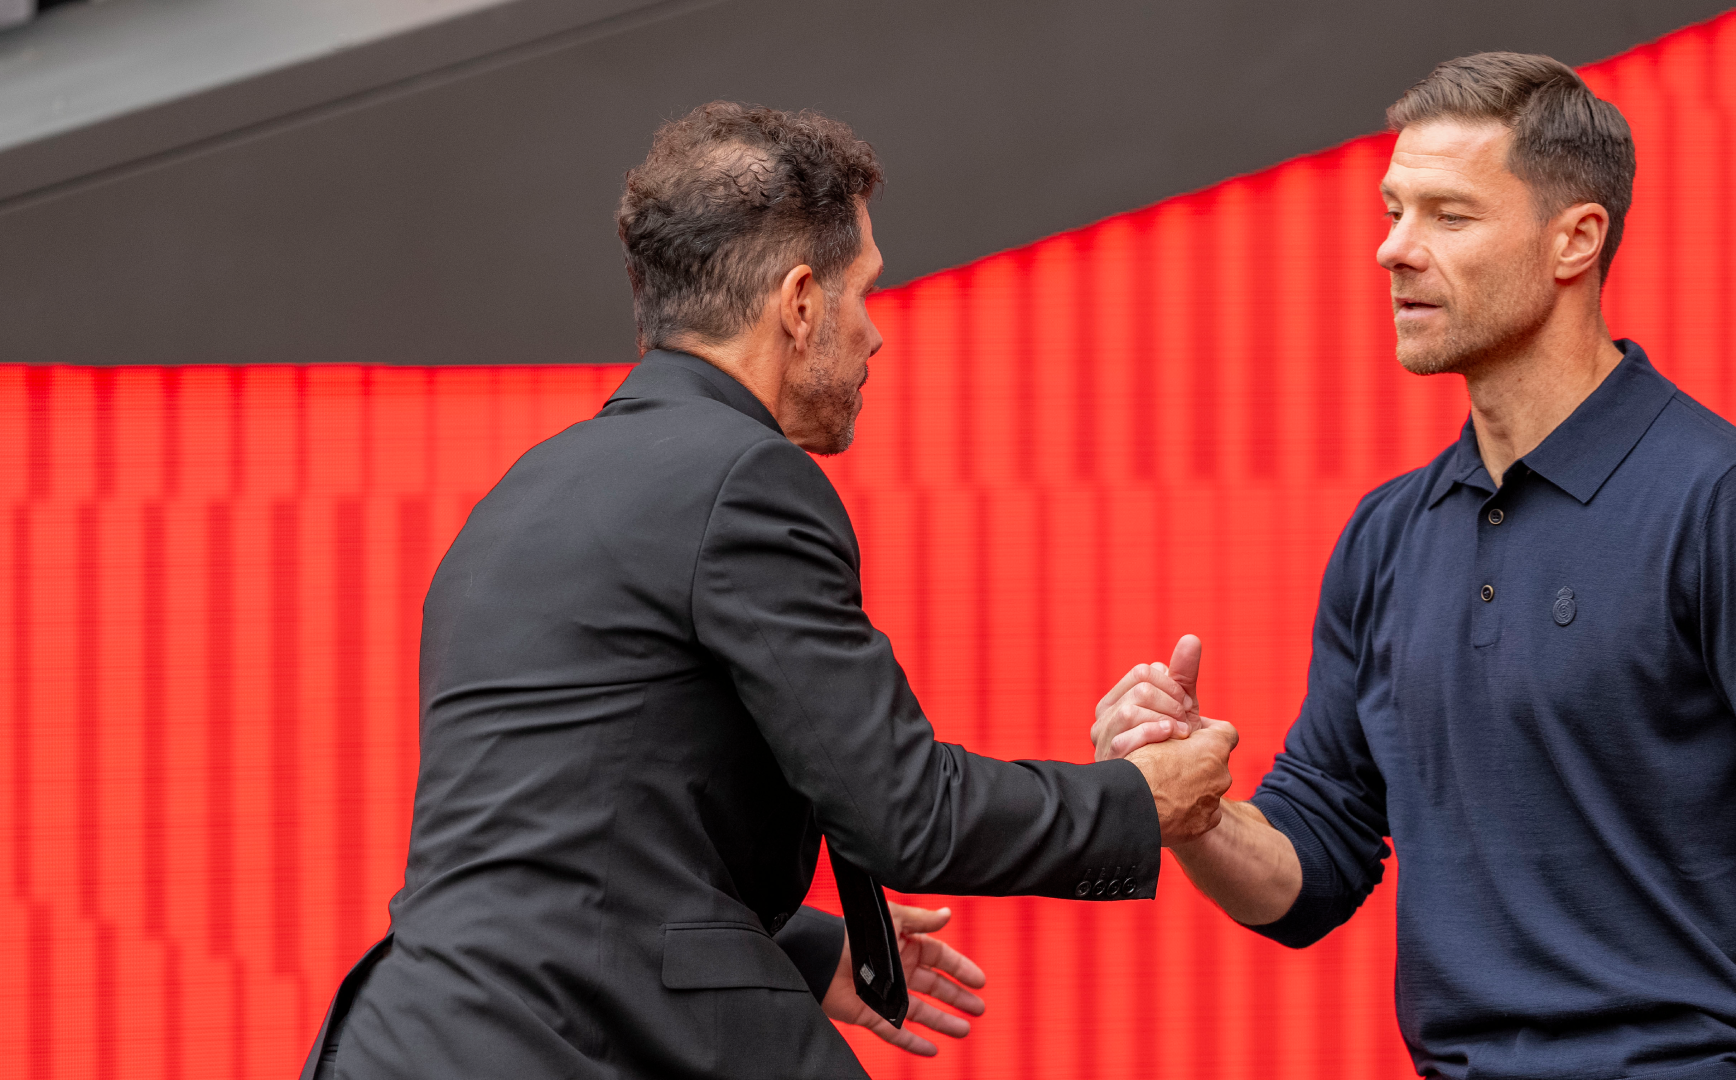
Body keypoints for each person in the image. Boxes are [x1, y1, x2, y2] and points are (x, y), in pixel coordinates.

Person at [300, 102, 1237, 1079]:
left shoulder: (524, 492)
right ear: (798, 302)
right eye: (864, 291)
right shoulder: (744, 479)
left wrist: (807, 949)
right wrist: (1141, 800)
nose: (874, 335)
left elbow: (576, 832)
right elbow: (905, 814)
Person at [1096, 53, 1736, 1080]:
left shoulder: (1726, 501)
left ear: (1575, 241)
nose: (1393, 249)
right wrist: (1188, 808)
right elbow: (1317, 870)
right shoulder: (1387, 535)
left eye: (1449, 215)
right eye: (1393, 210)